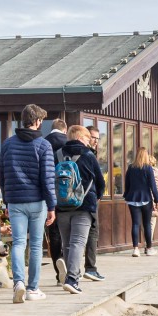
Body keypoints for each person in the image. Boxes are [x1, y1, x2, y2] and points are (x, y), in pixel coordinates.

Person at [0, 104, 56, 303]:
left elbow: (2, 176)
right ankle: (32, 289)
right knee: (35, 246)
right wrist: (52, 206)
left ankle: (18, 283)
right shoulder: (43, 145)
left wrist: (6, 199)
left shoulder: (7, 144)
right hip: (37, 201)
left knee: (19, 243)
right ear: (38, 121)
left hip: (15, 201)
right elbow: (48, 178)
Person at [54, 125, 106, 294]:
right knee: (78, 242)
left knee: (68, 243)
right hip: (84, 206)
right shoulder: (89, 155)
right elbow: (100, 182)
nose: (90, 141)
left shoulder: (58, 154)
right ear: (82, 138)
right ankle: (72, 279)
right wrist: (96, 197)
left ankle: (70, 274)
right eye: (88, 138)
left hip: (62, 206)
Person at [123, 146, 158, 257]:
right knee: (146, 224)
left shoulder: (131, 168)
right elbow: (153, 186)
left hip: (132, 200)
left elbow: (127, 184)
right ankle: (149, 248)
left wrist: (126, 195)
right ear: (146, 156)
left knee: (135, 224)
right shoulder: (148, 168)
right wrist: (157, 199)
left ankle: (135, 249)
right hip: (146, 199)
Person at [44, 119, 70, 282]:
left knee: (53, 233)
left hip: (48, 194)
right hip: (67, 194)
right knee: (69, 233)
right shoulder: (69, 143)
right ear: (65, 130)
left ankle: (57, 266)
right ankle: (70, 266)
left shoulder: (43, 142)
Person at [82, 125, 105, 281]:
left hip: (69, 201)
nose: (95, 140)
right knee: (92, 232)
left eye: (97, 138)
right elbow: (99, 180)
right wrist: (99, 194)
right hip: (87, 199)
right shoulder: (88, 154)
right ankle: (90, 268)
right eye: (92, 137)